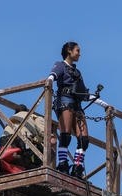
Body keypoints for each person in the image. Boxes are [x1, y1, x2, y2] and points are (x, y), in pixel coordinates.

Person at [46, 41, 96, 179]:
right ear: (69, 51)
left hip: (77, 104)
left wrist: (103, 103)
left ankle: (77, 166)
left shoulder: (77, 72)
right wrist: (49, 81)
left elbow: (84, 93)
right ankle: (63, 163)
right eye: (77, 51)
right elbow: (53, 75)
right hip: (65, 101)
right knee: (66, 135)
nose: (79, 54)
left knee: (84, 139)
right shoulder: (61, 65)